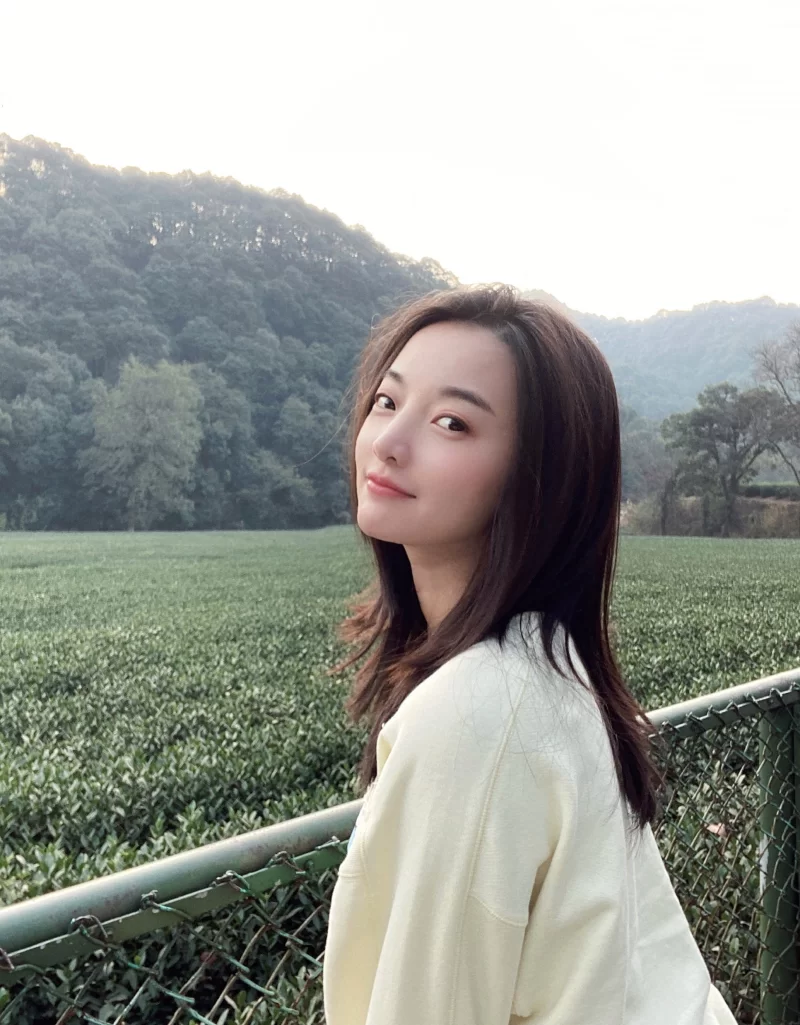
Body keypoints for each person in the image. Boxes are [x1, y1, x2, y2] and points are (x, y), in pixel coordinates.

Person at [321, 283, 739, 1024]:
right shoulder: (545, 664)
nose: (388, 440)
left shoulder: (476, 711)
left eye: (452, 422)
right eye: (387, 401)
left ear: (540, 477)